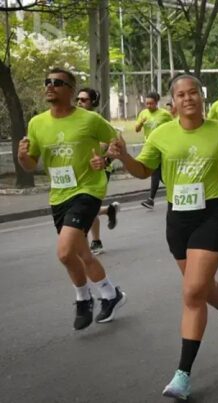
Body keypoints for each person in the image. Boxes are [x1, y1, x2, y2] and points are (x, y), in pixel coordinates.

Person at [109, 74, 218, 400]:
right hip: (177, 218)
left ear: (201, 98)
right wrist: (123, 158)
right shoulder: (161, 134)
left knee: (192, 292)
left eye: (193, 93)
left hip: (211, 216)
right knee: (200, 287)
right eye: (181, 94)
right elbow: (143, 171)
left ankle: (183, 374)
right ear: (172, 102)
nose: (188, 98)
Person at [18, 68, 125, 330]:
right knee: (81, 253)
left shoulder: (89, 120)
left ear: (71, 90)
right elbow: (31, 165)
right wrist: (22, 157)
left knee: (65, 252)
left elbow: (117, 141)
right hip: (59, 195)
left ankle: (83, 298)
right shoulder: (37, 123)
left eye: (57, 82)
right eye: (47, 82)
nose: (50, 86)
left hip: (87, 190)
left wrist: (107, 158)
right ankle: (111, 295)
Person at [76, 87, 120, 255]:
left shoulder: (97, 121)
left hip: (100, 170)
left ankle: (94, 241)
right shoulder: (72, 121)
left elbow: (116, 142)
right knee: (83, 206)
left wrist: (105, 159)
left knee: (87, 204)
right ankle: (108, 211)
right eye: (78, 99)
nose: (80, 102)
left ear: (93, 102)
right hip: (79, 171)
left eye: (84, 99)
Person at [136, 92, 174, 209]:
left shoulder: (164, 114)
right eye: (147, 103)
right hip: (149, 147)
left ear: (156, 103)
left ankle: (151, 199)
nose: (148, 105)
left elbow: (173, 127)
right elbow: (136, 129)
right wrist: (141, 123)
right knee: (161, 174)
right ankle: (176, 189)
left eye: (151, 103)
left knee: (155, 172)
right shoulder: (143, 113)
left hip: (161, 147)